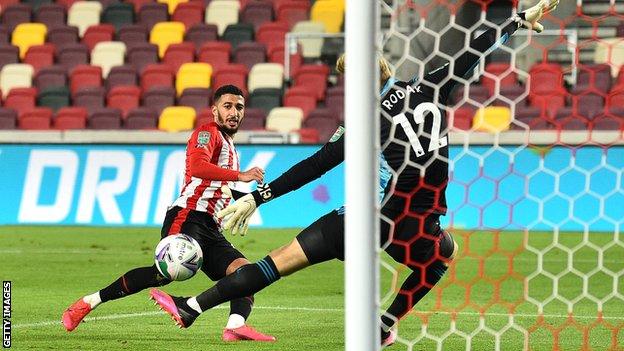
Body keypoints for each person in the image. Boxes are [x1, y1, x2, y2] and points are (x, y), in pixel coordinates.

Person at [149, 0, 559, 346]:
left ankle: (192, 306)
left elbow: (317, 165)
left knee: (278, 263)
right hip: (418, 218)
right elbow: (472, 55)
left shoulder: (365, 117)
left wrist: (258, 196)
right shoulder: (428, 85)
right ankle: (384, 325)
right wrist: (517, 22)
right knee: (439, 258)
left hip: (370, 217)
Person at [61, 85, 277, 342]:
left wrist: (253, 200)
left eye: (239, 107)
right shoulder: (207, 133)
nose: (233, 112)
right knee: (164, 273)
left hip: (212, 227)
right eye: (227, 106)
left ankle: (234, 326)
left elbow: (221, 190)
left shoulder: (231, 147)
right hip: (188, 216)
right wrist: (239, 176)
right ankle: (87, 303)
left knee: (246, 273)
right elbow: (198, 166)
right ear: (215, 110)